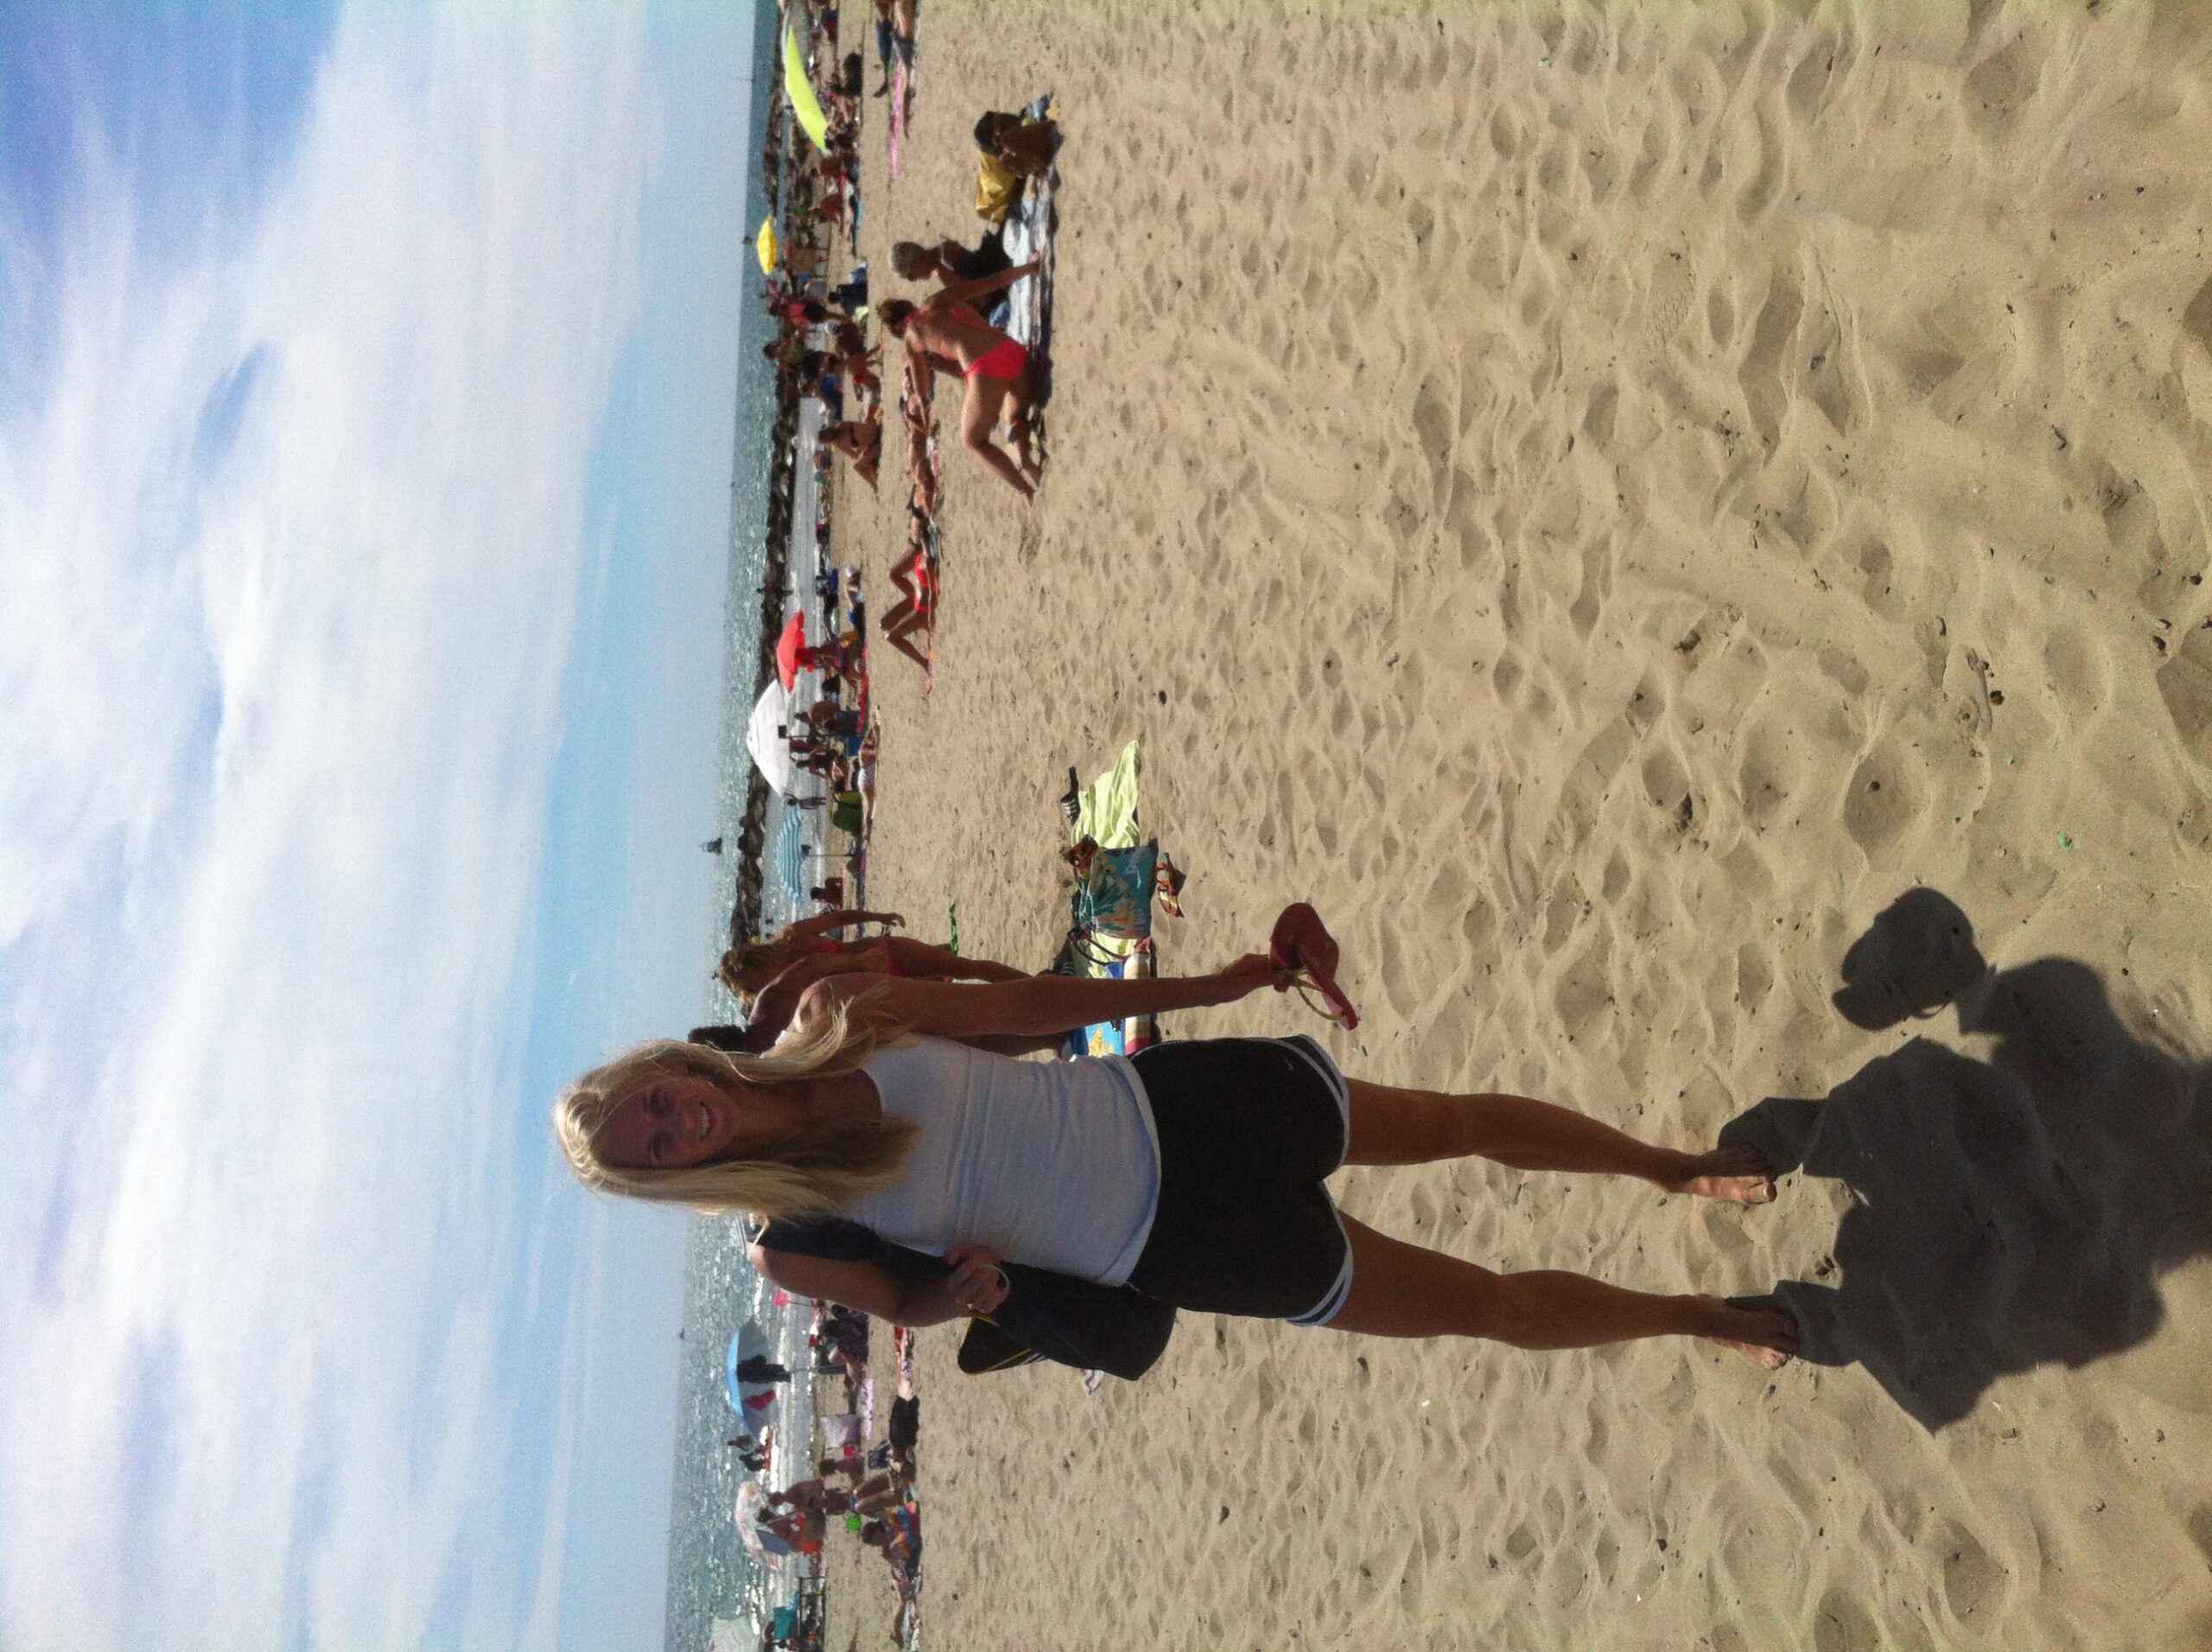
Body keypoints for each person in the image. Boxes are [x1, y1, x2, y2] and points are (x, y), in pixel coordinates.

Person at [555, 910, 1801, 1377]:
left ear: (662, 1069)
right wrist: (963, 1290)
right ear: (671, 1180)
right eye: (651, 1150)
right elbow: (906, 1306)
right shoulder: (789, 1240)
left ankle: (1673, 1166)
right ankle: (1695, 1315)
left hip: (1183, 1104)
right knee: (1488, 1310)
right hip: (1185, 1245)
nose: (670, 1125)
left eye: (647, 1105)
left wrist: (1211, 986)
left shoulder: (837, 1014)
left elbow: (1032, 1009)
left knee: (1458, 1123)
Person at [878, 262, 1044, 500]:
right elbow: (993, 282)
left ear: (899, 327)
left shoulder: (912, 338)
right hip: (1014, 352)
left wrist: (924, 413)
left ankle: (1025, 489)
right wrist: (1032, 266)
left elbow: (922, 389)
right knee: (1014, 416)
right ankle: (1026, 461)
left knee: (973, 441)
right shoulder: (939, 298)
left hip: (986, 369)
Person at [891, 233, 1013, 326]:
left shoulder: (941, 270)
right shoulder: (944, 246)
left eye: (911, 276)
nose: (915, 279)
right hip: (998, 280)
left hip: (997, 295)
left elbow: (981, 299)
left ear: (916, 265)